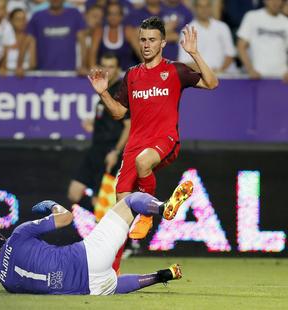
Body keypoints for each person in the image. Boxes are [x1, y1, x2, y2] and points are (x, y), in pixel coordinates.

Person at [87, 16, 218, 270]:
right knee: (120, 214)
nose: (146, 45)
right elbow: (118, 112)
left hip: (164, 139)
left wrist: (195, 53)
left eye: (152, 40)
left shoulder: (175, 71)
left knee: (143, 162)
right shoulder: (132, 75)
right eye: (143, 40)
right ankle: (110, 273)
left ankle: (147, 213)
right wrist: (103, 92)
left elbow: (212, 83)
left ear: (162, 43)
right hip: (134, 144)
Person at [0, 181, 193, 295]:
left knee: (112, 285)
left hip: (83, 288)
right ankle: (163, 208)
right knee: (130, 200)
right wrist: (52, 205)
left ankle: (159, 276)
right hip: (87, 257)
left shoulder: (6, 282)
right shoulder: (18, 235)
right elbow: (66, 218)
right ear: (0, 236)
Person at [68, 52, 130, 210]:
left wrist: (116, 152)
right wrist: (93, 125)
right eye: (104, 66)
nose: (108, 70)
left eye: (112, 66)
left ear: (118, 69)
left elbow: (129, 126)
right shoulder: (104, 90)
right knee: (74, 193)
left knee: (101, 201)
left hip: (110, 152)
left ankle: (110, 226)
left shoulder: (122, 92)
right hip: (95, 149)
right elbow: (109, 121)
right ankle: (102, 216)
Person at [26, 0, 87, 74]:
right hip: (43, 73)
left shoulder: (75, 14)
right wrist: (19, 65)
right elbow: (27, 40)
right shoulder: (37, 16)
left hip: (69, 73)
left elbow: (82, 42)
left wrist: (83, 65)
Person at [178, 0, 236, 74]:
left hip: (224, 75)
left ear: (211, 7)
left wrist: (220, 70)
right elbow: (185, 62)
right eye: (200, 6)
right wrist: (207, 72)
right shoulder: (186, 31)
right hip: (199, 77)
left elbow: (230, 54)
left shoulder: (222, 27)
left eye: (207, 6)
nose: (204, 9)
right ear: (195, 8)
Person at [237, 0, 288, 82]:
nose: (275, 2)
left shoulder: (286, 22)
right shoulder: (252, 17)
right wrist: (250, 70)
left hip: (282, 78)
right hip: (258, 77)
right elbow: (241, 46)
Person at [88, 2, 140, 70]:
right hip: (105, 76)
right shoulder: (99, 31)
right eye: (110, 14)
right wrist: (94, 70)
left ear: (121, 16)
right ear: (106, 16)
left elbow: (140, 53)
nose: (113, 17)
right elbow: (92, 54)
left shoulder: (128, 31)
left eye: (116, 14)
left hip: (125, 75)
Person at [7, 8, 36, 77]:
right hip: (5, 78)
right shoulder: (4, 38)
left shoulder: (30, 39)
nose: (22, 22)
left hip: (25, 78)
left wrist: (23, 71)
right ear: (11, 21)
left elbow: (33, 64)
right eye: (18, 19)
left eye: (24, 19)